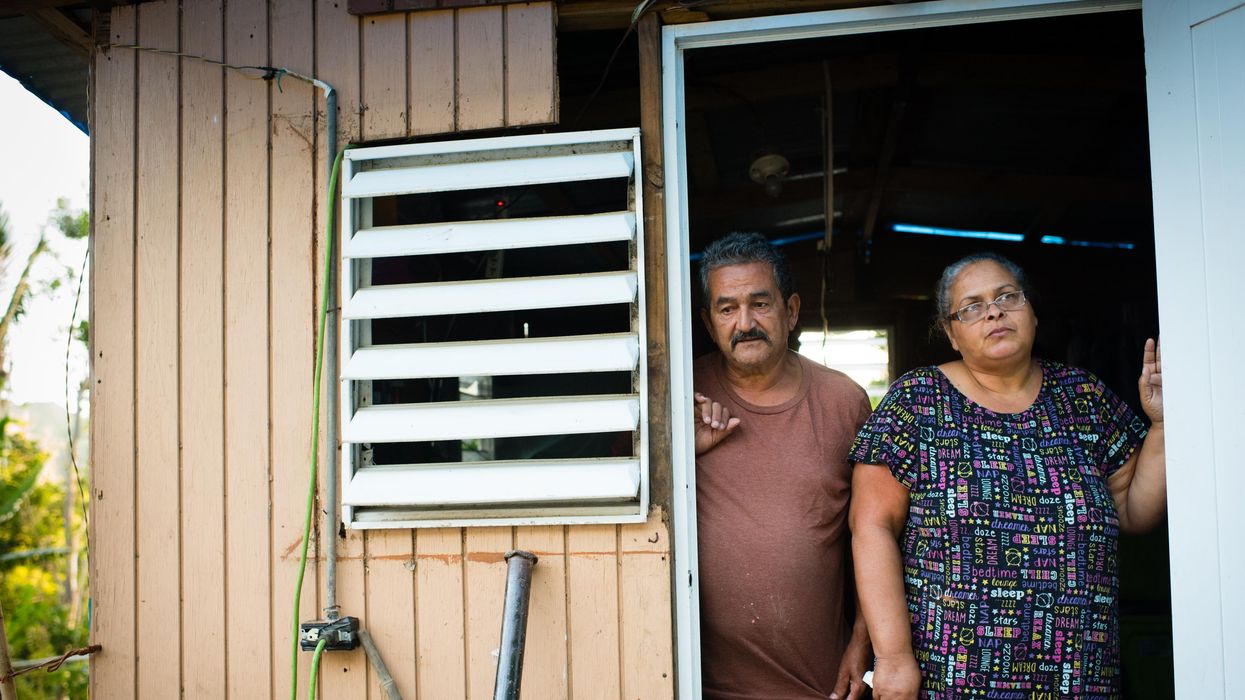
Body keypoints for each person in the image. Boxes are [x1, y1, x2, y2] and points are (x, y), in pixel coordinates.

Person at [848, 252, 1165, 700]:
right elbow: (871, 528)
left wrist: (1163, 426)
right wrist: (894, 658)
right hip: (953, 677)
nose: (994, 311)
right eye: (972, 306)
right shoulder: (916, 401)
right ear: (951, 333)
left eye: (1006, 297)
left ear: (1032, 312)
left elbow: (1135, 511)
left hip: (1081, 678)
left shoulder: (1083, 397)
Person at [694, 232, 872, 700]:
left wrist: (864, 644)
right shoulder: (675, 397)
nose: (745, 322)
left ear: (791, 310)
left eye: (760, 303)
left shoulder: (843, 401)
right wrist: (676, 453)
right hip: (694, 682)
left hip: (818, 684)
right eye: (727, 308)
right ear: (709, 323)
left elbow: (878, 537)